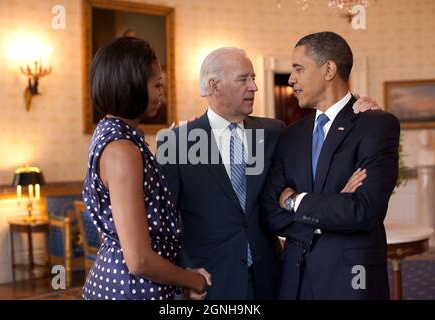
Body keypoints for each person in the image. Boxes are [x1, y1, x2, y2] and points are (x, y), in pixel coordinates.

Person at [157, 47, 380, 299]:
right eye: (243, 79)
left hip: (271, 278)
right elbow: (163, 221)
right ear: (214, 86)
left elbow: (299, 190)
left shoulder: (275, 132)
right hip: (208, 282)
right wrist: (180, 275)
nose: (254, 86)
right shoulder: (176, 142)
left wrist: (358, 109)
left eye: (253, 78)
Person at [260, 32, 400, 300]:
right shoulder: (288, 135)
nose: (291, 79)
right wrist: (334, 205)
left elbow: (363, 211)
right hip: (294, 280)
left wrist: (294, 201)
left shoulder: (377, 125)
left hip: (350, 281)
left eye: (298, 68)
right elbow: (269, 213)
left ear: (328, 69)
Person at [82, 37, 210, 300]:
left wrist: (177, 143)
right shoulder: (122, 149)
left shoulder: (113, 133)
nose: (162, 93)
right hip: (130, 288)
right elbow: (139, 260)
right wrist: (194, 280)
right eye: (157, 85)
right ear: (131, 86)